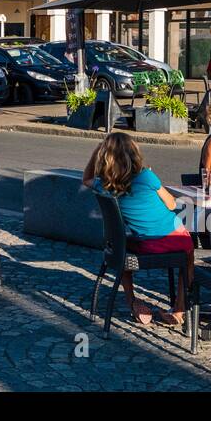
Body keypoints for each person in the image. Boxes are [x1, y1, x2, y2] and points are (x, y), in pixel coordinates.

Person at [82, 132, 193, 325]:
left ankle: (132, 301)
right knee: (189, 253)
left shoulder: (106, 186)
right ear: (134, 154)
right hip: (175, 241)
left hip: (144, 245)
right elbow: (171, 205)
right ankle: (180, 308)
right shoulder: (147, 177)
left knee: (120, 246)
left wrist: (97, 149)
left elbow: (86, 179)